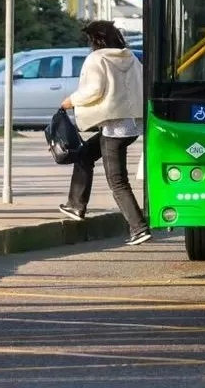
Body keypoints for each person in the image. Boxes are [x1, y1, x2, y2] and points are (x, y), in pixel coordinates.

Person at [60, 20, 152, 246]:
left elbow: (93, 90)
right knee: (85, 155)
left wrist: (71, 101)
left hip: (113, 127)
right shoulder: (130, 57)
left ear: (95, 40)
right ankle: (75, 205)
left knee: (117, 181)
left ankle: (139, 228)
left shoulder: (97, 59)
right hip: (130, 125)